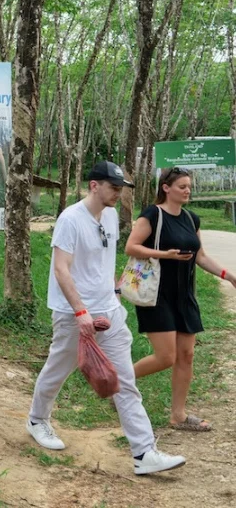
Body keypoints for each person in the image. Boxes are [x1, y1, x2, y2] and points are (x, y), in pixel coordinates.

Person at [26, 161, 186, 476]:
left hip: (109, 312)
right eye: (113, 188)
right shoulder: (70, 219)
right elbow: (61, 269)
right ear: (94, 185)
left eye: (120, 188)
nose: (118, 194)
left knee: (125, 381)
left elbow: (102, 260)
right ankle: (37, 419)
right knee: (59, 368)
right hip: (74, 313)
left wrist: (115, 290)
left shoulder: (111, 216)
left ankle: (144, 453)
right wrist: (81, 311)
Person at [124, 166, 236, 432]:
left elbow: (200, 256)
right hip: (157, 295)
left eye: (189, 186)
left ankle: (179, 415)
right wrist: (165, 255)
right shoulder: (153, 214)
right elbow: (131, 246)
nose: (187, 191)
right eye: (182, 186)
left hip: (184, 296)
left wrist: (228, 275)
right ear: (166, 188)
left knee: (186, 356)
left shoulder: (191, 218)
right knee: (165, 357)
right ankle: (118, 382)